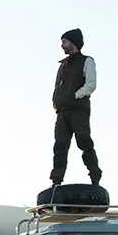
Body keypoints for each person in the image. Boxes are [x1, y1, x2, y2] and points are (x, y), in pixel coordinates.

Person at [50, 28, 103, 187]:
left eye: (64, 42)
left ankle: (95, 178)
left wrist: (74, 96)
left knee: (84, 142)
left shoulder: (87, 61)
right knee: (60, 146)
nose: (62, 45)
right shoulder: (63, 65)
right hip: (62, 112)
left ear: (73, 43)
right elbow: (57, 86)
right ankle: (56, 182)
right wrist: (56, 101)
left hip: (78, 110)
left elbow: (91, 84)